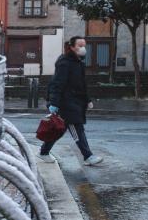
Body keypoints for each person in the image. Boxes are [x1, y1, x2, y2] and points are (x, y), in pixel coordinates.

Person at [37, 36, 103, 166]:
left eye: (84, 45)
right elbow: (57, 84)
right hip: (66, 103)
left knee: (58, 130)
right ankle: (88, 156)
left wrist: (87, 99)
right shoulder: (65, 62)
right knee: (77, 129)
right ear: (72, 47)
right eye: (79, 45)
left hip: (74, 102)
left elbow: (81, 84)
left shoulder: (78, 63)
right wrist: (54, 103)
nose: (83, 48)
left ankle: (43, 152)